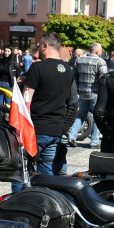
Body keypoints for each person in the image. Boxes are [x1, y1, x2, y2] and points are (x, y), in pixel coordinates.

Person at [21, 33, 74, 177]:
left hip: (36, 129)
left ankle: (19, 198)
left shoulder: (37, 68)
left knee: (22, 170)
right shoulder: (68, 70)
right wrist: (64, 127)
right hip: (55, 129)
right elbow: (72, 103)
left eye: (39, 45)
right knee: (47, 173)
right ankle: (47, 197)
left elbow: (26, 102)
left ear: (45, 46)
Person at [68, 43, 108, 149]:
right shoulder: (101, 62)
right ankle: (94, 142)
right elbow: (103, 79)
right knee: (97, 117)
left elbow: (74, 76)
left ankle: (72, 136)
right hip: (95, 93)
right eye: (101, 50)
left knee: (80, 115)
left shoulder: (79, 60)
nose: (102, 52)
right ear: (97, 51)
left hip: (82, 93)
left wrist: (79, 87)